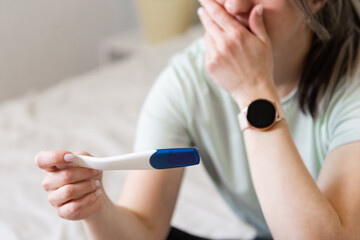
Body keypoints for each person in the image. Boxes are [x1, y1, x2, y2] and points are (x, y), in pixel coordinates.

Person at [35, 0, 360, 239]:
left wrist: (254, 92)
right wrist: (96, 209)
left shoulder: (352, 81)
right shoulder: (187, 80)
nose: (234, 5)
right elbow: (145, 229)